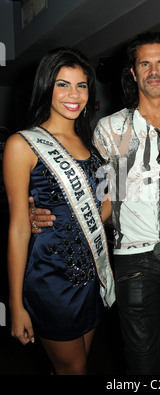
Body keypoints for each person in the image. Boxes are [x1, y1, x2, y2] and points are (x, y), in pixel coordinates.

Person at [29, 32, 160, 375]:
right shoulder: (107, 130)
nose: (154, 70)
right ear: (133, 73)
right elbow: (88, 195)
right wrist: (38, 213)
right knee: (141, 362)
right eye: (144, 63)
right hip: (132, 261)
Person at [3, 48, 115, 375]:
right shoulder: (21, 145)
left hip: (90, 277)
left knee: (77, 365)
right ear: (46, 87)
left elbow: (101, 211)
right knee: (74, 369)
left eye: (82, 86)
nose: (74, 95)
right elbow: (18, 229)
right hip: (49, 278)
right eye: (63, 84)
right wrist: (15, 304)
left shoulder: (91, 146)